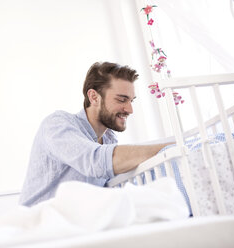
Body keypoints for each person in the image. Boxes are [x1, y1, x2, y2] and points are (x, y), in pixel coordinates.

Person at [19, 62, 171, 207]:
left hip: (76, 224)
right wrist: (172, 147)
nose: (130, 110)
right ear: (93, 97)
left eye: (131, 101)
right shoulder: (57, 124)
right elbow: (96, 161)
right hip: (36, 224)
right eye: (122, 99)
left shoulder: (109, 139)